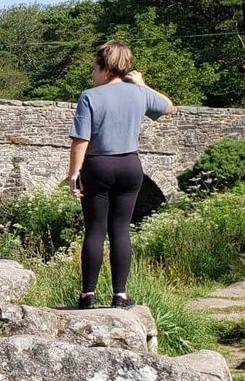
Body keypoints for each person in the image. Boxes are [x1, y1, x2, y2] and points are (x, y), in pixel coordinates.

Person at [67, 41, 177, 309]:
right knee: (120, 230)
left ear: (105, 68)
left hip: (99, 165)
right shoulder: (138, 94)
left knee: (94, 230)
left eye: (94, 68)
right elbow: (169, 107)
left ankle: (88, 296)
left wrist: (74, 173)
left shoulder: (90, 96)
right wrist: (142, 85)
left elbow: (81, 139)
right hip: (130, 165)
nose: (92, 73)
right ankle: (120, 295)